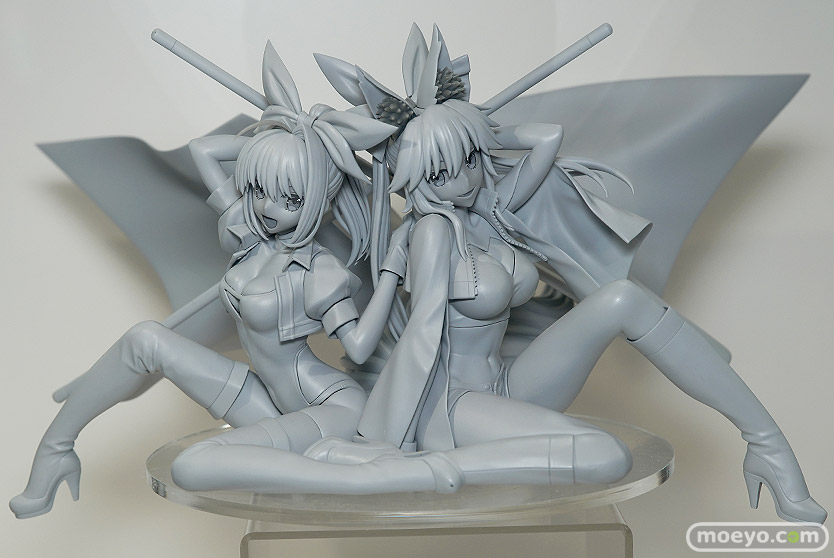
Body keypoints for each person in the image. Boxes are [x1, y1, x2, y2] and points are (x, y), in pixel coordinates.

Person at [308, 24, 825, 523]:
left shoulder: (490, 213)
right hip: (450, 404)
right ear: (414, 175)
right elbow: (421, 332)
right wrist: (385, 438)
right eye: (441, 171)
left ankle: (766, 442)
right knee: (607, 456)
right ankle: (417, 469)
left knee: (623, 298)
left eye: (469, 160)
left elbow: (546, 138)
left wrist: (470, 126)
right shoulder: (431, 232)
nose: (463, 180)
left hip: (505, 385)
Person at [9, 46, 400, 518]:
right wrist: (283, 132)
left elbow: (358, 348)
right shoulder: (250, 237)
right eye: (260, 189)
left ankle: (361, 470)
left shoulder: (322, 272)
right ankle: (55, 450)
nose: (268, 207)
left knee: (194, 465)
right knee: (146, 338)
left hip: (328, 408)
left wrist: (390, 275)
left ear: (321, 199)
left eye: (292, 199)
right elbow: (204, 150)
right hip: (265, 399)